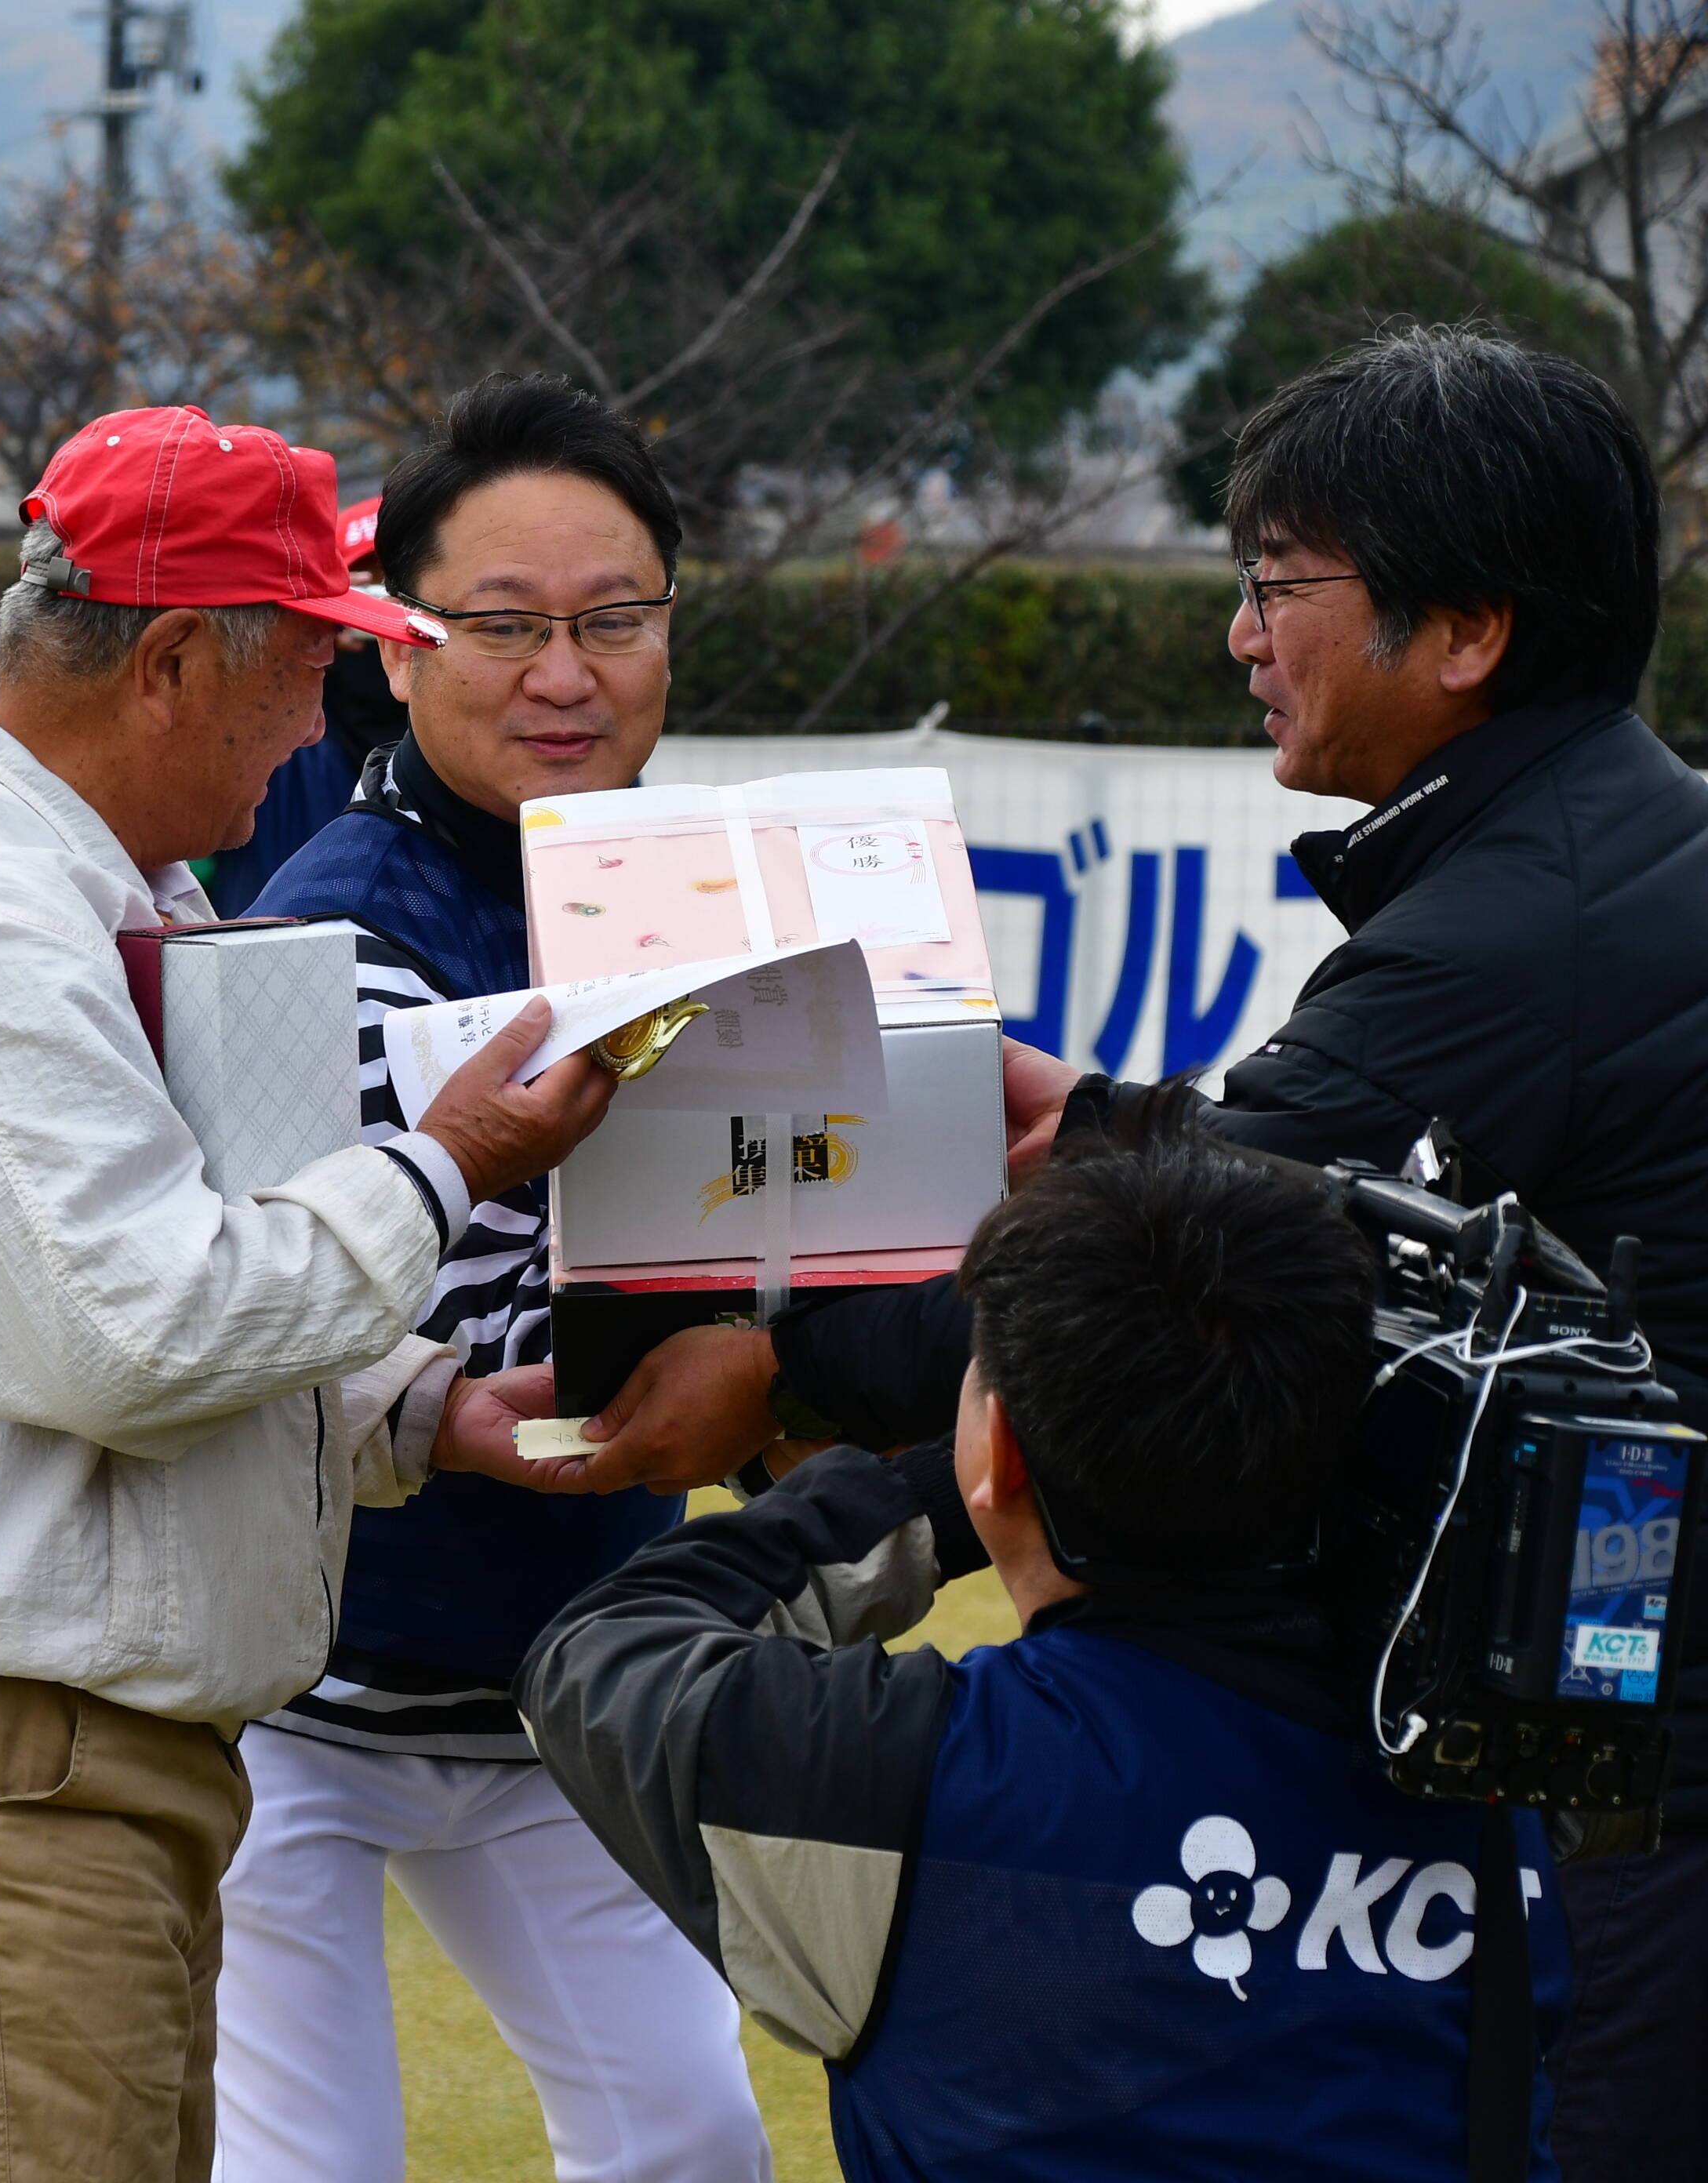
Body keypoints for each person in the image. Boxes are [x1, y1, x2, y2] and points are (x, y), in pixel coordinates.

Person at [575, 325, 1708, 2183]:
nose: (1239, 637)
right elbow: (1306, 1183)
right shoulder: (1588, 848)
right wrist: (1106, 1121)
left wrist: (749, 1353)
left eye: (1278, 589)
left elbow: (1161, 1291)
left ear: (1468, 629)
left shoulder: (1509, 925)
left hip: (1629, 1785)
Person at [0, 404, 634, 2183]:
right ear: (169, 662)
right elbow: (129, 1332)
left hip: (59, 1743)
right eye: (302, 663)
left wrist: (421, 1406)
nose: (321, 718)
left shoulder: (93, 881)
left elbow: (160, 1278)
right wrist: (444, 1159)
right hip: (4, 1745)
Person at [518, 1112, 1576, 2180]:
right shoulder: (1495, 1764)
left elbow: (600, 1657)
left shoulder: (900, 1782)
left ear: (1004, 1451)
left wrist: (928, 1495)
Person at [220, 376, 764, 2181]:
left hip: (571, 1682)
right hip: (289, 1689)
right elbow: (309, 1318)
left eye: (612, 619)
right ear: (393, 649)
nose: (565, 672)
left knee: (688, 2137)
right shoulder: (322, 918)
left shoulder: (704, 891)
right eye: (505, 626)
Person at [203, 493, 407, 917]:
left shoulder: (472, 743)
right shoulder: (273, 735)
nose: (383, 616)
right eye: (363, 590)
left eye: (397, 592)